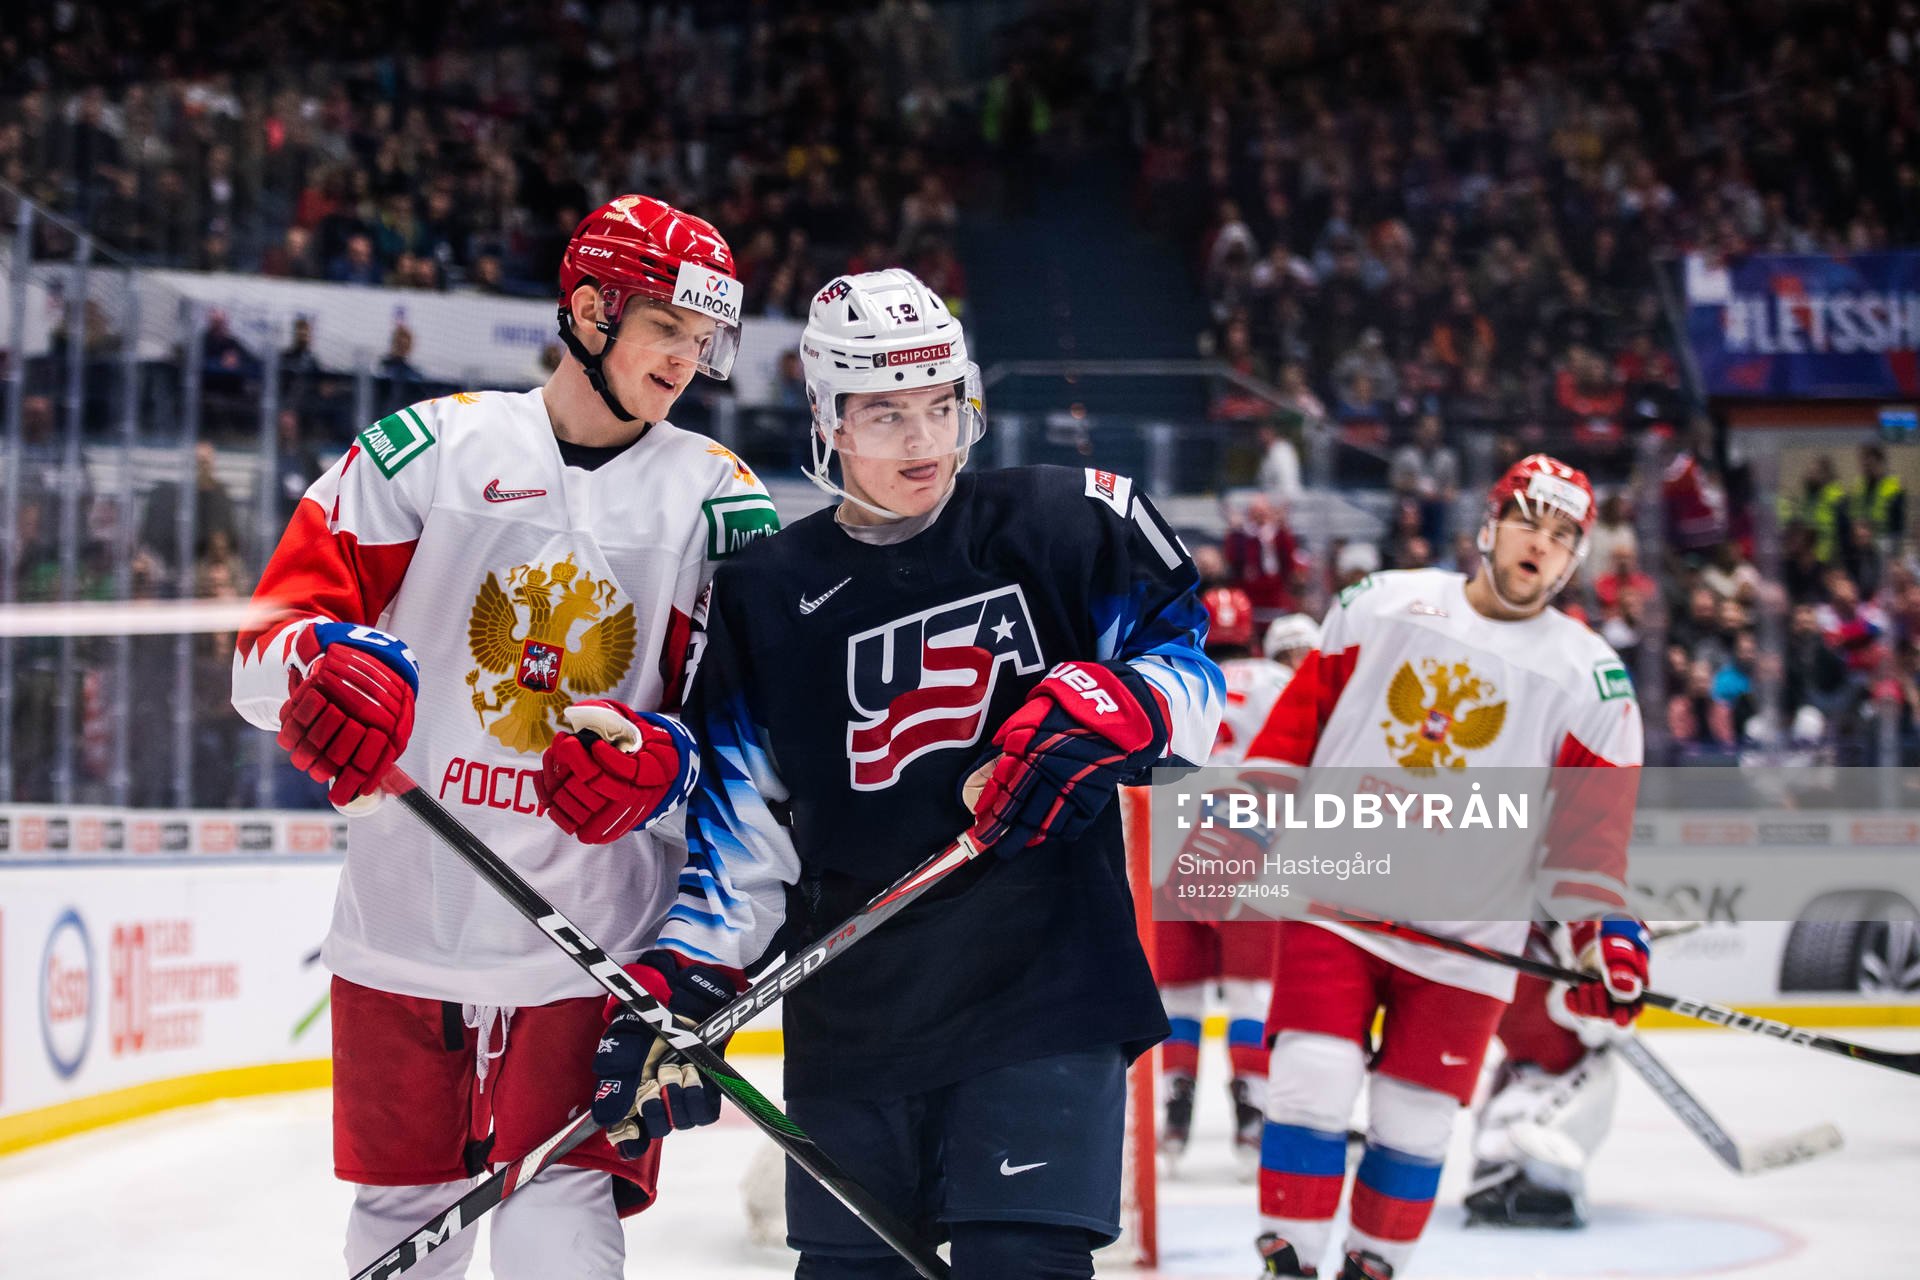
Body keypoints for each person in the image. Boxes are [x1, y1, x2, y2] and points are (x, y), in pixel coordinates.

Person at [589, 267, 1224, 1280]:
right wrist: (680, 988)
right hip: (858, 1019)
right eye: (886, 414)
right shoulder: (763, 593)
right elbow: (745, 844)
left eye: (941, 405)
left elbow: (1191, 678)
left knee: (1024, 1263)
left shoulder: (1066, 526)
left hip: (1045, 995)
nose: (924, 441)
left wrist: (1128, 704)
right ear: (828, 418)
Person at [231, 194, 775, 1280]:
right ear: (589, 305)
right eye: (666, 325)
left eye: (701, 337)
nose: (687, 358)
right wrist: (317, 673)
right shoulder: (425, 452)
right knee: (402, 1215)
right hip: (403, 924)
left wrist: (668, 768)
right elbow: (260, 649)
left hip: (596, 942)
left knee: (558, 1221)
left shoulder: (723, 503)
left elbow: (756, 753)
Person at [1239, 454, 1647, 1279]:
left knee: (1416, 1120)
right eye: (1531, 520)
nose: (1543, 543)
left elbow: (1590, 846)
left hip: (1468, 942)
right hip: (1338, 904)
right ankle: (1289, 1266)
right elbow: (1291, 736)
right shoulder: (1381, 605)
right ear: (1490, 525)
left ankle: (1371, 1267)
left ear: (1575, 559)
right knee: (1312, 1081)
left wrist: (1607, 942)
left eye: (1564, 535)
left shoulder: (1594, 683)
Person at [1156, 587, 1290, 1176]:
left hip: (1175, 845)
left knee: (1179, 994)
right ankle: (1253, 1115)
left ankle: (1176, 1109)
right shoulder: (1277, 683)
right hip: (1250, 845)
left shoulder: (1176, 671)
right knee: (1248, 993)